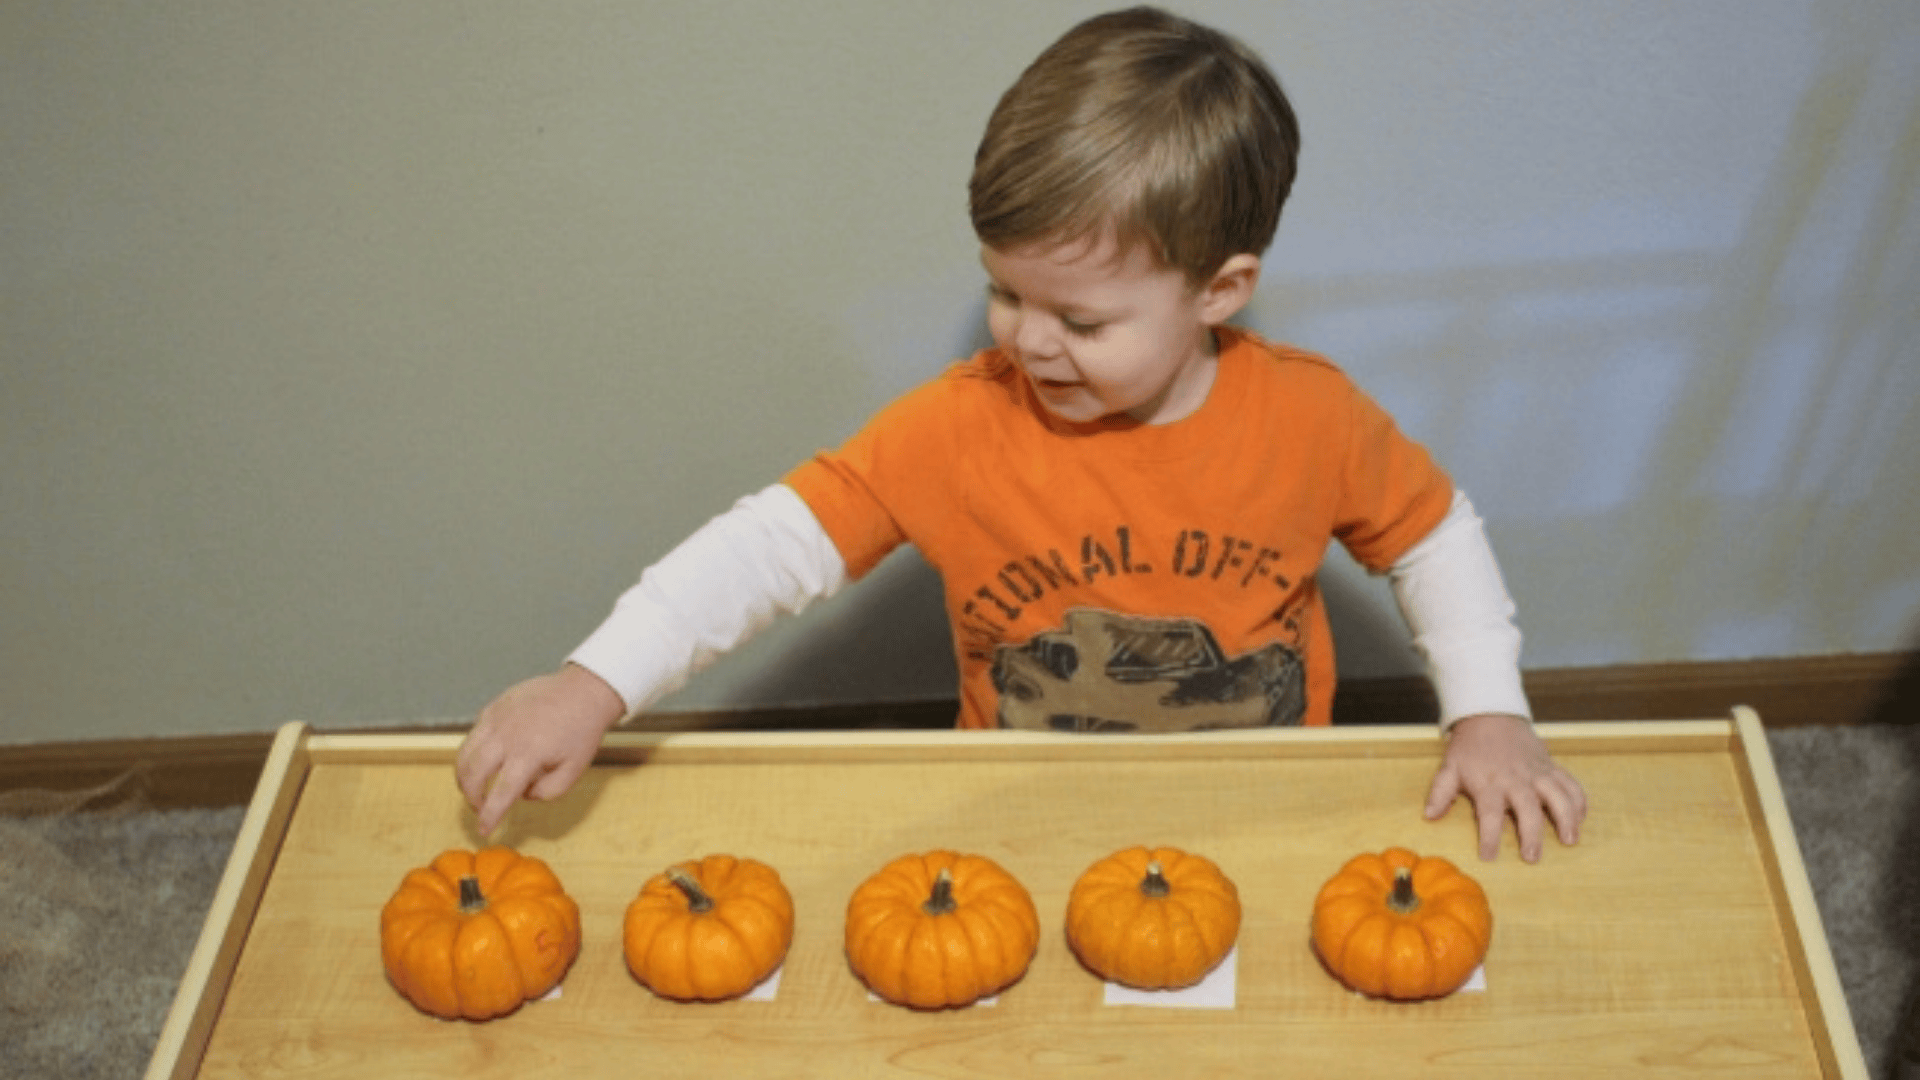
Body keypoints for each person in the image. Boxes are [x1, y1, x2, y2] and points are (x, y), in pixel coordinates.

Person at [455, 6, 1587, 861]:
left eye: (1081, 319)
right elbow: (770, 547)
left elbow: (1432, 536)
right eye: (1006, 294)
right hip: (1019, 815)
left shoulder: (1311, 417)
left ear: (1219, 291)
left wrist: (1489, 711)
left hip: (1266, 805)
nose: (1030, 343)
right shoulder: (961, 426)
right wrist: (594, 682)